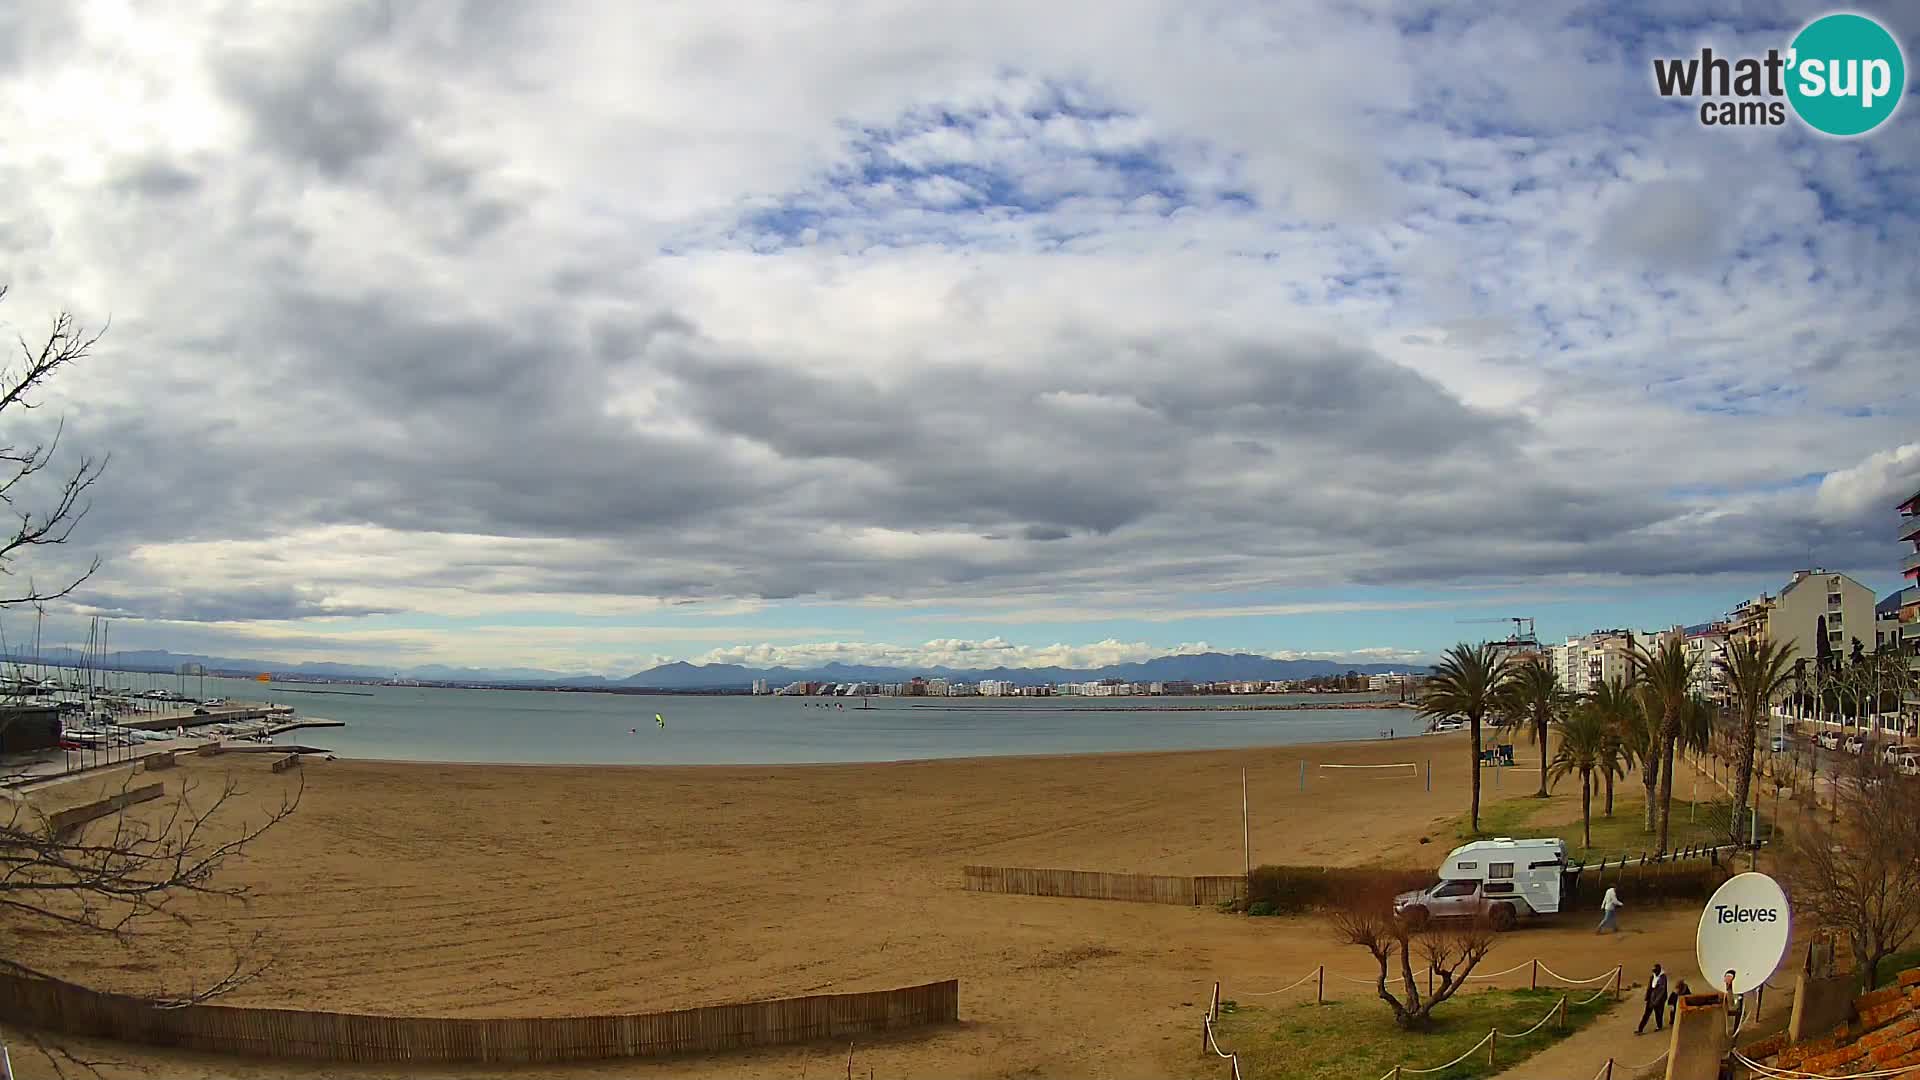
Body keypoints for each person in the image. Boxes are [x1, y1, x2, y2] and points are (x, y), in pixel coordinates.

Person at [1636, 963, 1669, 1034]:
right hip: (1651, 998)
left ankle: (1659, 1026)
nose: (1655, 972)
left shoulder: (1663, 978)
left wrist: (1656, 1001)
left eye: (1656, 971)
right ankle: (1640, 1029)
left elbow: (1662, 991)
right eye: (1654, 971)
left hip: (1659, 1000)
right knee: (1646, 1014)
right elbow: (1649, 987)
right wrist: (1647, 997)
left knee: (1658, 1014)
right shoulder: (1652, 977)